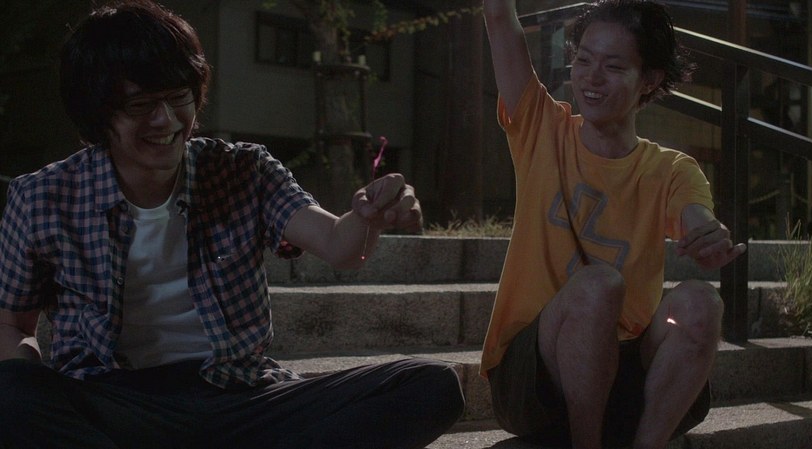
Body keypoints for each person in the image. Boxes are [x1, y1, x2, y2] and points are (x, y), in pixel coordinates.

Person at [0, 1, 464, 448]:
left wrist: (369, 217)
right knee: (10, 389)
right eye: (141, 105)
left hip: (241, 397)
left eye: (178, 97)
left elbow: (339, 246)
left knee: (429, 384)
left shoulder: (244, 169)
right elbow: (12, 325)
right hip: (114, 403)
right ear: (98, 114)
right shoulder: (42, 196)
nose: (167, 120)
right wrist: (28, 383)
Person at [480, 1, 747, 448]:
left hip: (623, 368)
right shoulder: (541, 128)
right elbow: (498, 19)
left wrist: (707, 236)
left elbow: (694, 215)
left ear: (650, 80)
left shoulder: (670, 169)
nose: (591, 77)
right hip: (531, 376)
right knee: (599, 285)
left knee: (701, 302)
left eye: (613, 66)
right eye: (584, 60)